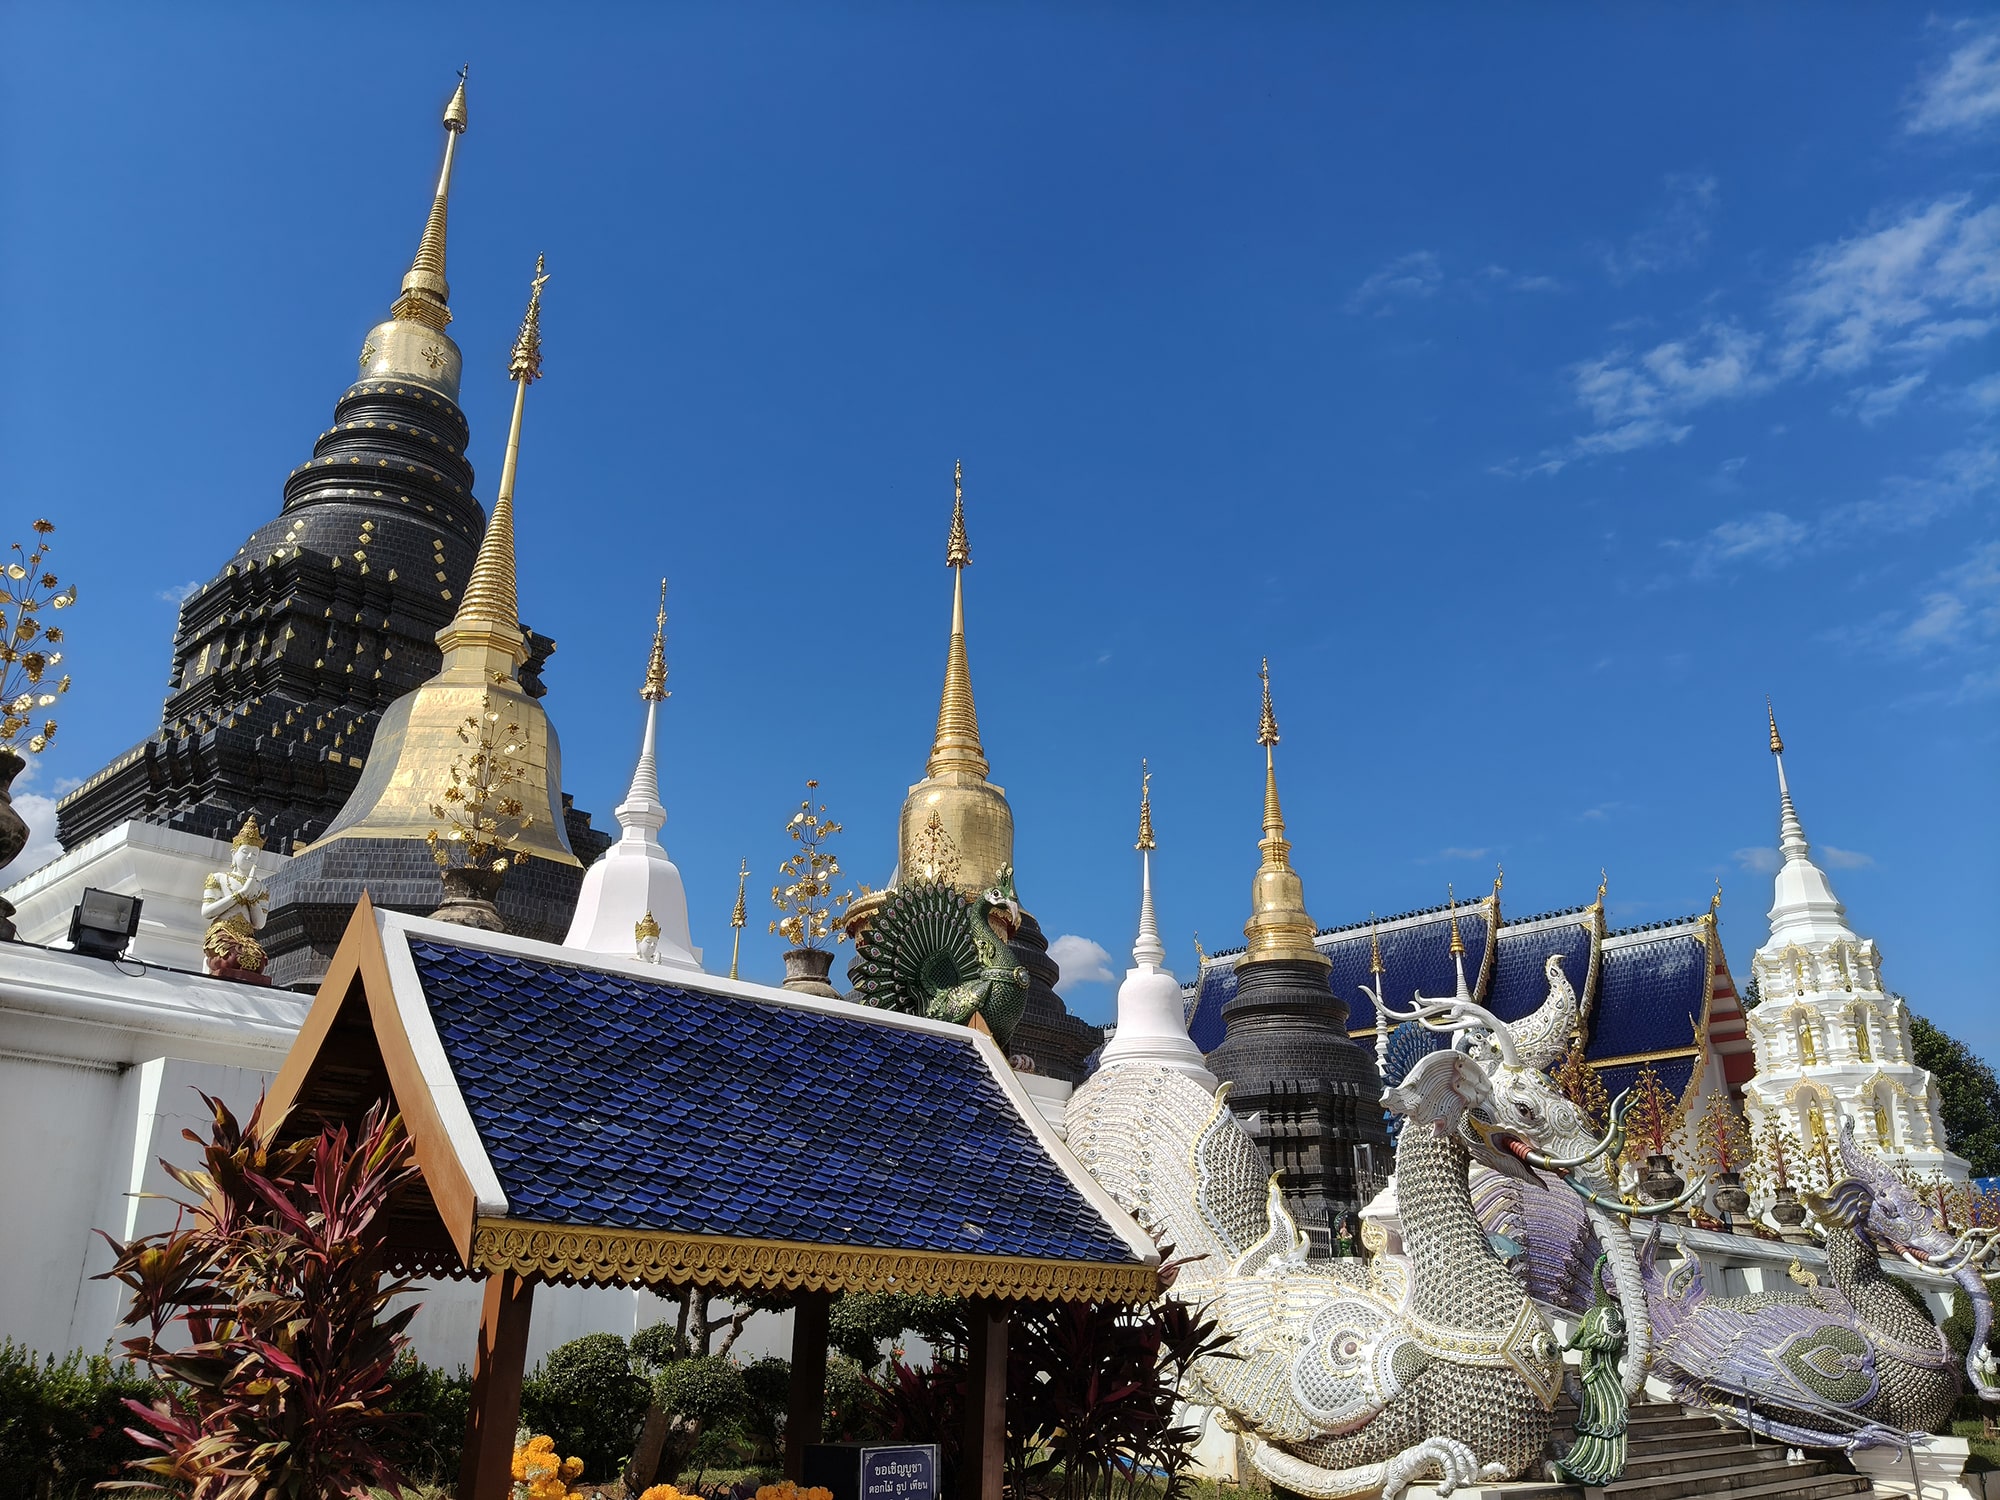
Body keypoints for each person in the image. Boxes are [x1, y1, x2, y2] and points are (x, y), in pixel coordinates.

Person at [202, 815, 271, 981]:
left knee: (257, 961)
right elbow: (207, 912)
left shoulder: (261, 887)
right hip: (223, 931)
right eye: (245, 851)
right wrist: (240, 894)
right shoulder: (219, 878)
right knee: (230, 958)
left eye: (254, 854)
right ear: (234, 853)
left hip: (246, 936)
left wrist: (252, 896)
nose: (249, 857)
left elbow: (259, 923)